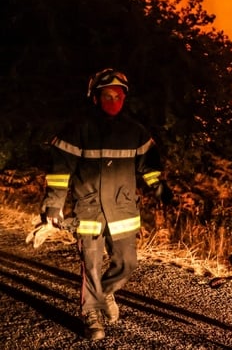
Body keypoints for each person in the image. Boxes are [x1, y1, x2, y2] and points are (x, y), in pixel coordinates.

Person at [37, 68, 172, 340]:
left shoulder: (136, 132)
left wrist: (159, 188)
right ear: (95, 98)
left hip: (123, 211)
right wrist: (53, 205)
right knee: (92, 266)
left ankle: (105, 293)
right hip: (89, 212)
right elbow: (60, 171)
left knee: (127, 264)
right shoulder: (77, 131)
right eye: (107, 95)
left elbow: (149, 167)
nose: (113, 100)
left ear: (125, 98)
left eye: (118, 95)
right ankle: (91, 313)